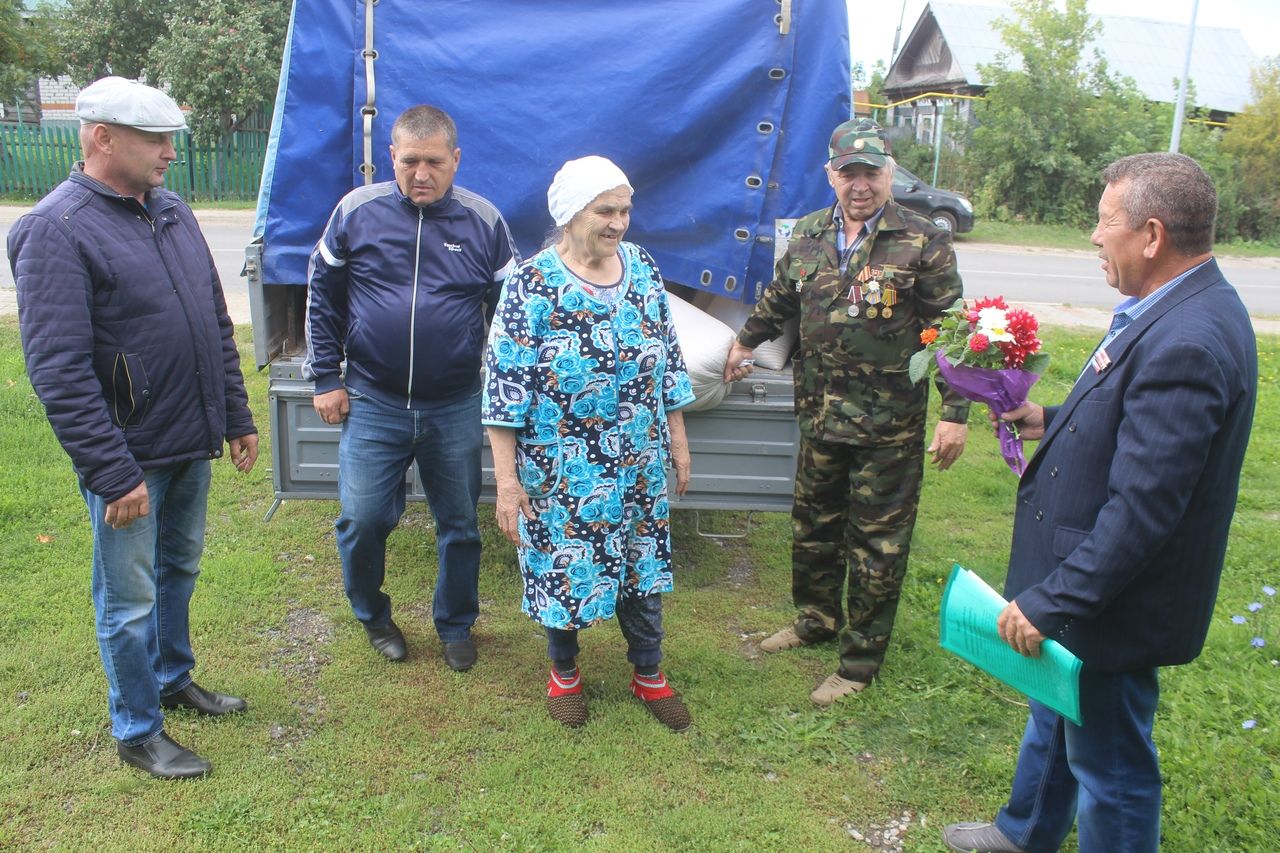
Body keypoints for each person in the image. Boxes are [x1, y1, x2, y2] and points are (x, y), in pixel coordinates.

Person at [942, 153, 1257, 853]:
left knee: (1112, 764)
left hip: (1115, 599)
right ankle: (1026, 832)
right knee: (1057, 714)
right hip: (1093, 589)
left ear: (1150, 234)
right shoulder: (1169, 307)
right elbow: (1135, 430)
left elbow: (1146, 506)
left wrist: (1056, 600)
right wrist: (1048, 419)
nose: (1092, 236)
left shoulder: (1189, 339)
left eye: (1103, 220)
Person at [8, 77, 259, 780]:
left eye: (171, 138)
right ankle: (137, 727)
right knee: (128, 598)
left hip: (189, 438)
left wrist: (235, 415)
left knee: (178, 570)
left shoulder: (171, 211)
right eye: (156, 138)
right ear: (101, 138)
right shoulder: (54, 229)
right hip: (129, 457)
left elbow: (212, 322)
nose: (170, 152)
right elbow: (57, 368)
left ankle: (173, 678)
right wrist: (111, 470)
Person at [723, 118, 969, 705]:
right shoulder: (808, 234)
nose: (861, 184)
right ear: (831, 174)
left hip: (889, 426)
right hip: (820, 416)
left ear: (889, 174)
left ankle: (859, 662)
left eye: (872, 172)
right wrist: (744, 342)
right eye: (849, 172)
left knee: (877, 543)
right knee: (814, 529)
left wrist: (955, 411)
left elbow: (950, 330)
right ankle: (814, 620)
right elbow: (780, 298)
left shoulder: (921, 239)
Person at [483, 156, 696, 731]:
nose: (619, 222)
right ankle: (565, 673)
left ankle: (648, 672)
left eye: (625, 209)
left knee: (642, 565)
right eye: (606, 210)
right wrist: (507, 482)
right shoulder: (532, 284)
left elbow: (668, 358)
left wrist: (677, 438)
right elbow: (504, 390)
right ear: (570, 214)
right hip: (563, 467)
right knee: (563, 570)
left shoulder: (644, 269)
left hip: (639, 460)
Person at [305, 105, 518, 670]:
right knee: (363, 519)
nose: (420, 174)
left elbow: (512, 316)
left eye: (433, 162)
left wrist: (510, 392)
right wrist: (327, 376)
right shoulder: (356, 212)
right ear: (391, 158)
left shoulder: (484, 221)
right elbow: (322, 294)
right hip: (373, 400)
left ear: (456, 160)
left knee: (460, 523)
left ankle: (455, 625)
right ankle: (374, 617)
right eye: (408, 162)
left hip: (454, 403)